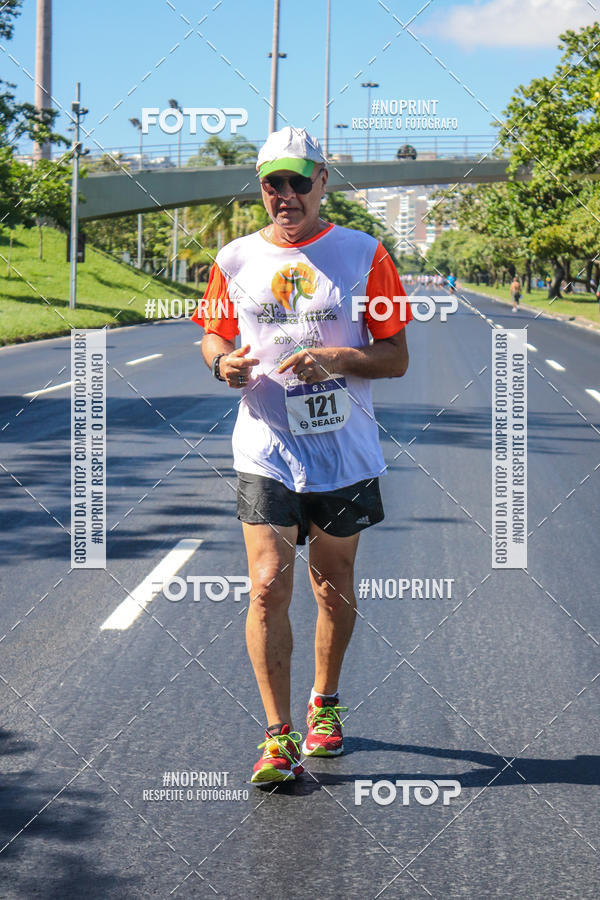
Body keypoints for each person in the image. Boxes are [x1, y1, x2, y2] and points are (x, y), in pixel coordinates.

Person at [192, 126, 411, 785]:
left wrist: (336, 358)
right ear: (261, 188)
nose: (285, 194)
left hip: (342, 450)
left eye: (298, 181)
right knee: (266, 584)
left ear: (323, 181)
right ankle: (277, 736)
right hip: (265, 446)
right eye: (272, 183)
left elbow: (395, 356)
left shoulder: (364, 255)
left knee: (331, 584)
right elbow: (212, 334)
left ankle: (324, 703)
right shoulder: (233, 258)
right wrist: (221, 363)